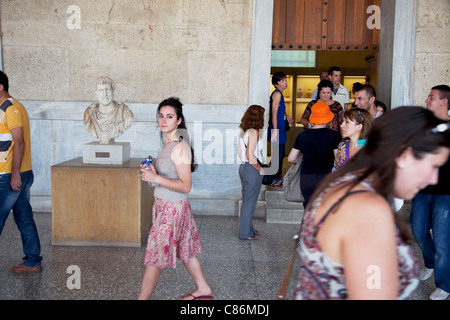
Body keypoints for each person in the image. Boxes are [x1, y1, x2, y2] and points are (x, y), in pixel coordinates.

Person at [293, 106, 450, 300]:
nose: (342, 125)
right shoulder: (343, 147)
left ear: (359, 126)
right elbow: (336, 172)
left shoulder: (371, 149)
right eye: (342, 121)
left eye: (346, 122)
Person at [138, 97, 212, 300]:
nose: (163, 120)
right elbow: (165, 180)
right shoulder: (168, 144)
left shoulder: (179, 147)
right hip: (165, 205)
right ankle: (203, 288)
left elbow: (185, 186)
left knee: (154, 258)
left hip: (172, 208)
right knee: (186, 249)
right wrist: (152, 174)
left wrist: (156, 177)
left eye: (169, 116)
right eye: (161, 116)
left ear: (179, 120)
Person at [410, 84, 450, 300]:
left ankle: (445, 283)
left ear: (444, 101)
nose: (427, 100)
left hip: (446, 193)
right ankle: (431, 262)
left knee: (443, 241)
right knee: (417, 232)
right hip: (422, 190)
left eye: (431, 97)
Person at [0, 70, 43, 273]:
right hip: (16, 173)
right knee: (24, 217)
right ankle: (32, 261)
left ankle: (33, 261)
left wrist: (15, 174)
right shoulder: (7, 107)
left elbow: (19, 143)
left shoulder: (11, 109)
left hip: (11, 175)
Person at [288, 102, 341, 209]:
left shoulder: (302, 135)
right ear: (328, 117)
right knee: (323, 210)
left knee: (308, 209)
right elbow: (338, 159)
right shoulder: (334, 135)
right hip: (326, 176)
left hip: (306, 177)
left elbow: (291, 158)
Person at [237, 105, 266, 240]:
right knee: (250, 202)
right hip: (251, 168)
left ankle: (249, 228)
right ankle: (245, 233)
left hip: (243, 167)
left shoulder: (243, 131)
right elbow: (250, 155)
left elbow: (240, 152)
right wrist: (259, 169)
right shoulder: (253, 132)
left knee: (248, 201)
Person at [84, 76, 134, 144]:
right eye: (101, 90)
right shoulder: (89, 114)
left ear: (113, 91)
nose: (105, 94)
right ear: (96, 93)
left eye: (108, 89)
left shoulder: (124, 113)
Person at [268, 72, 293, 189]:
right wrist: (275, 130)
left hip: (280, 129)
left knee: (280, 154)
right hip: (277, 130)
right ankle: (274, 179)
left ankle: (276, 177)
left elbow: (279, 112)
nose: (285, 83)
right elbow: (273, 112)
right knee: (277, 155)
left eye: (285, 80)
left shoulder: (280, 94)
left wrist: (286, 116)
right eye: (282, 81)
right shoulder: (277, 94)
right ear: (276, 84)